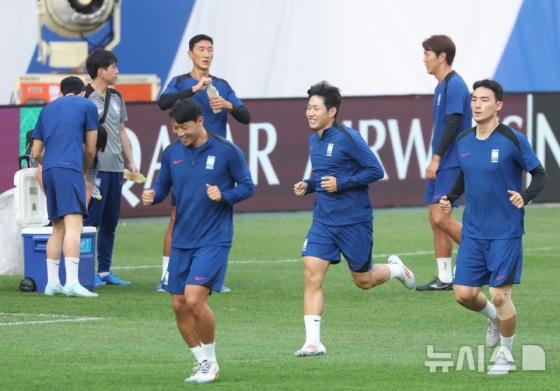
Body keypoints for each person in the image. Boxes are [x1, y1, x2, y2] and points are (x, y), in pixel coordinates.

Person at [292, 81, 416, 357]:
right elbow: (324, 175)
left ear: (332, 111)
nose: (309, 113)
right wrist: (309, 184)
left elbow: (376, 170)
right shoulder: (315, 139)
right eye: (308, 107)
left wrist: (342, 183)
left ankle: (396, 270)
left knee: (364, 281)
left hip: (354, 221)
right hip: (323, 221)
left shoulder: (348, 138)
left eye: (315, 108)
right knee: (311, 275)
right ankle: (313, 342)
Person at [141, 98, 254, 383]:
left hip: (214, 239)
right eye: (175, 127)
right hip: (182, 239)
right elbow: (162, 186)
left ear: (200, 121)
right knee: (178, 304)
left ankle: (212, 364)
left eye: (185, 127)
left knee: (193, 298)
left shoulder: (227, 151)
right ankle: (202, 361)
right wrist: (153, 196)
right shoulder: (171, 153)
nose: (180, 133)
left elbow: (248, 186)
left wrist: (224, 195)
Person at [440, 79, 548, 375]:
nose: (477, 104)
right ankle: (492, 318)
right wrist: (450, 197)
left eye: (484, 100)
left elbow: (539, 175)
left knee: (500, 296)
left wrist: (524, 197)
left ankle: (506, 356)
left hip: (505, 233)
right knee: (463, 294)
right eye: (474, 99)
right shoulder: (463, 140)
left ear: (498, 105)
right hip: (473, 233)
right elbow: (464, 175)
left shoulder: (512, 139)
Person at [156, 34, 251, 292]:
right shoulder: (180, 82)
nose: (206, 54)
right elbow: (162, 103)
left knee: (217, 214)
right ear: (190, 54)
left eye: (210, 49)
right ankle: (167, 276)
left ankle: (209, 278)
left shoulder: (222, 85)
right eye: (201, 49)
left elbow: (246, 116)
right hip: (188, 157)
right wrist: (193, 90)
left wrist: (228, 104)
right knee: (177, 215)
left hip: (216, 159)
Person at [31, 76, 99, 297]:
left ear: (61, 92)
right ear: (82, 92)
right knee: (74, 226)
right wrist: (81, 170)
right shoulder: (87, 105)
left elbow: (35, 153)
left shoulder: (47, 109)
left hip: (48, 169)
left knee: (57, 227)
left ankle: (52, 283)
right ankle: (71, 282)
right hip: (70, 168)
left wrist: (51, 164)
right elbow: (90, 149)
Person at [417, 35, 471, 291]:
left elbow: (453, 125)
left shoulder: (455, 85)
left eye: (427, 54)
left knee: (442, 217)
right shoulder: (441, 86)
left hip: (451, 163)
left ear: (442, 56)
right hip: (442, 163)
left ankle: (480, 253)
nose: (424, 59)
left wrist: (436, 159)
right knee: (434, 218)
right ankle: (445, 278)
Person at [83, 49, 138, 286]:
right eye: (114, 67)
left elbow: (122, 131)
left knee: (110, 222)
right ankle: (85, 271)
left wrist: (131, 161)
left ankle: (104, 271)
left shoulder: (117, 97)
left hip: (115, 169)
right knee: (90, 221)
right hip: (94, 170)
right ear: (101, 70)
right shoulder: (84, 97)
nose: (118, 71)